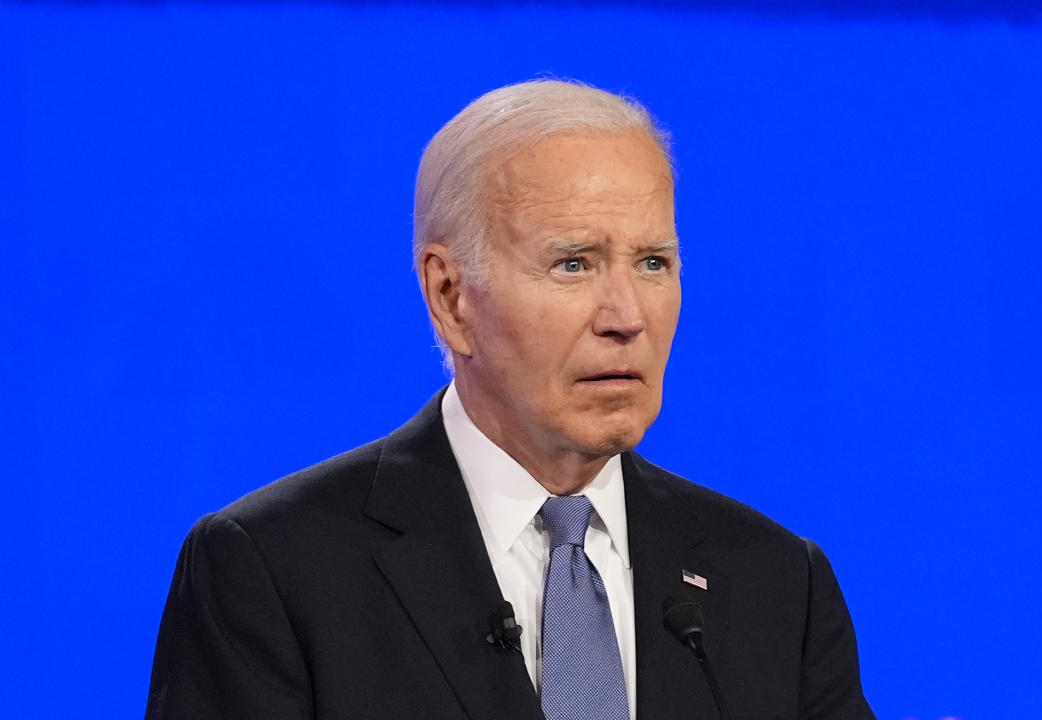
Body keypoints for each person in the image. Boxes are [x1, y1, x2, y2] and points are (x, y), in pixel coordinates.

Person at [145, 79, 876, 720]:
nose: (626, 315)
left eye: (653, 262)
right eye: (573, 263)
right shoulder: (275, 569)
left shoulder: (776, 580)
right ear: (450, 297)